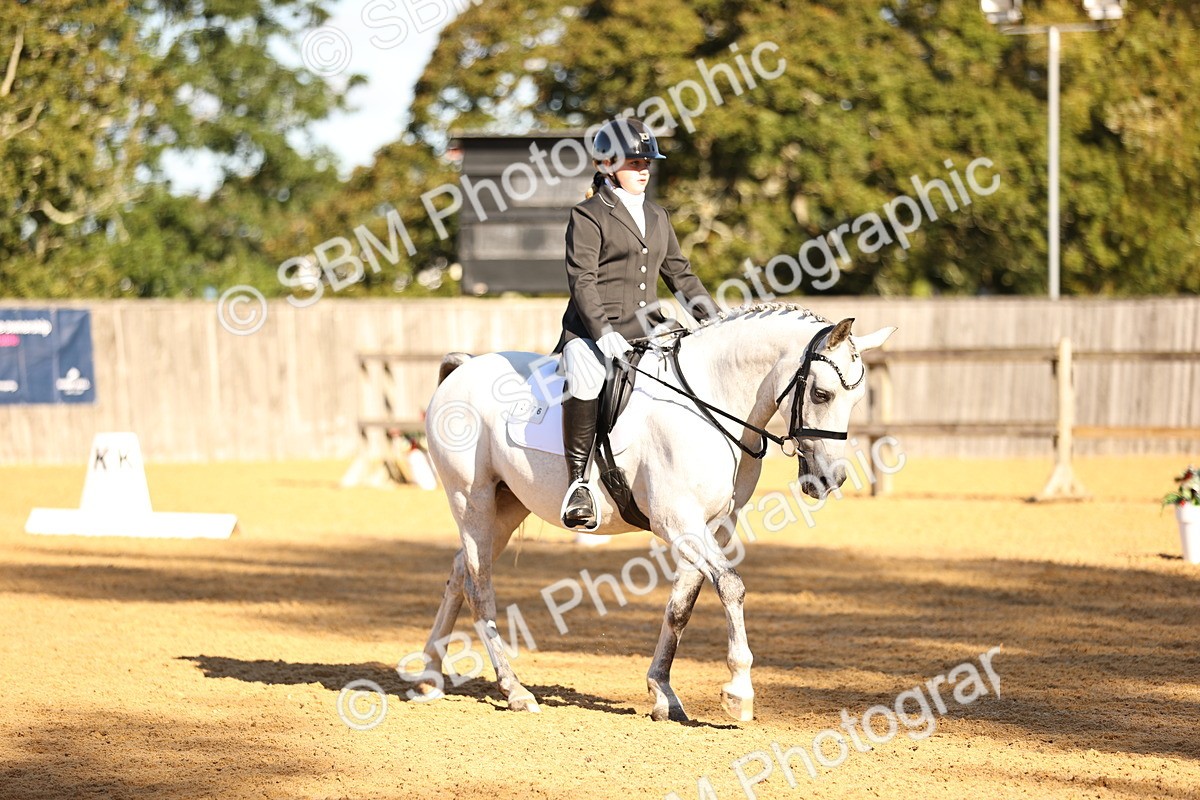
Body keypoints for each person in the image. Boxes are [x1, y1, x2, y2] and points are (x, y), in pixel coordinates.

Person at [554, 118, 719, 529]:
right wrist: (603, 333)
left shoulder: (658, 216)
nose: (643, 169)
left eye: (647, 162)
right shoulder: (588, 214)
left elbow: (681, 276)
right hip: (591, 332)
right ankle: (578, 485)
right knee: (586, 376)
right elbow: (582, 280)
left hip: (649, 329)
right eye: (634, 162)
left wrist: (716, 323)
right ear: (609, 165)